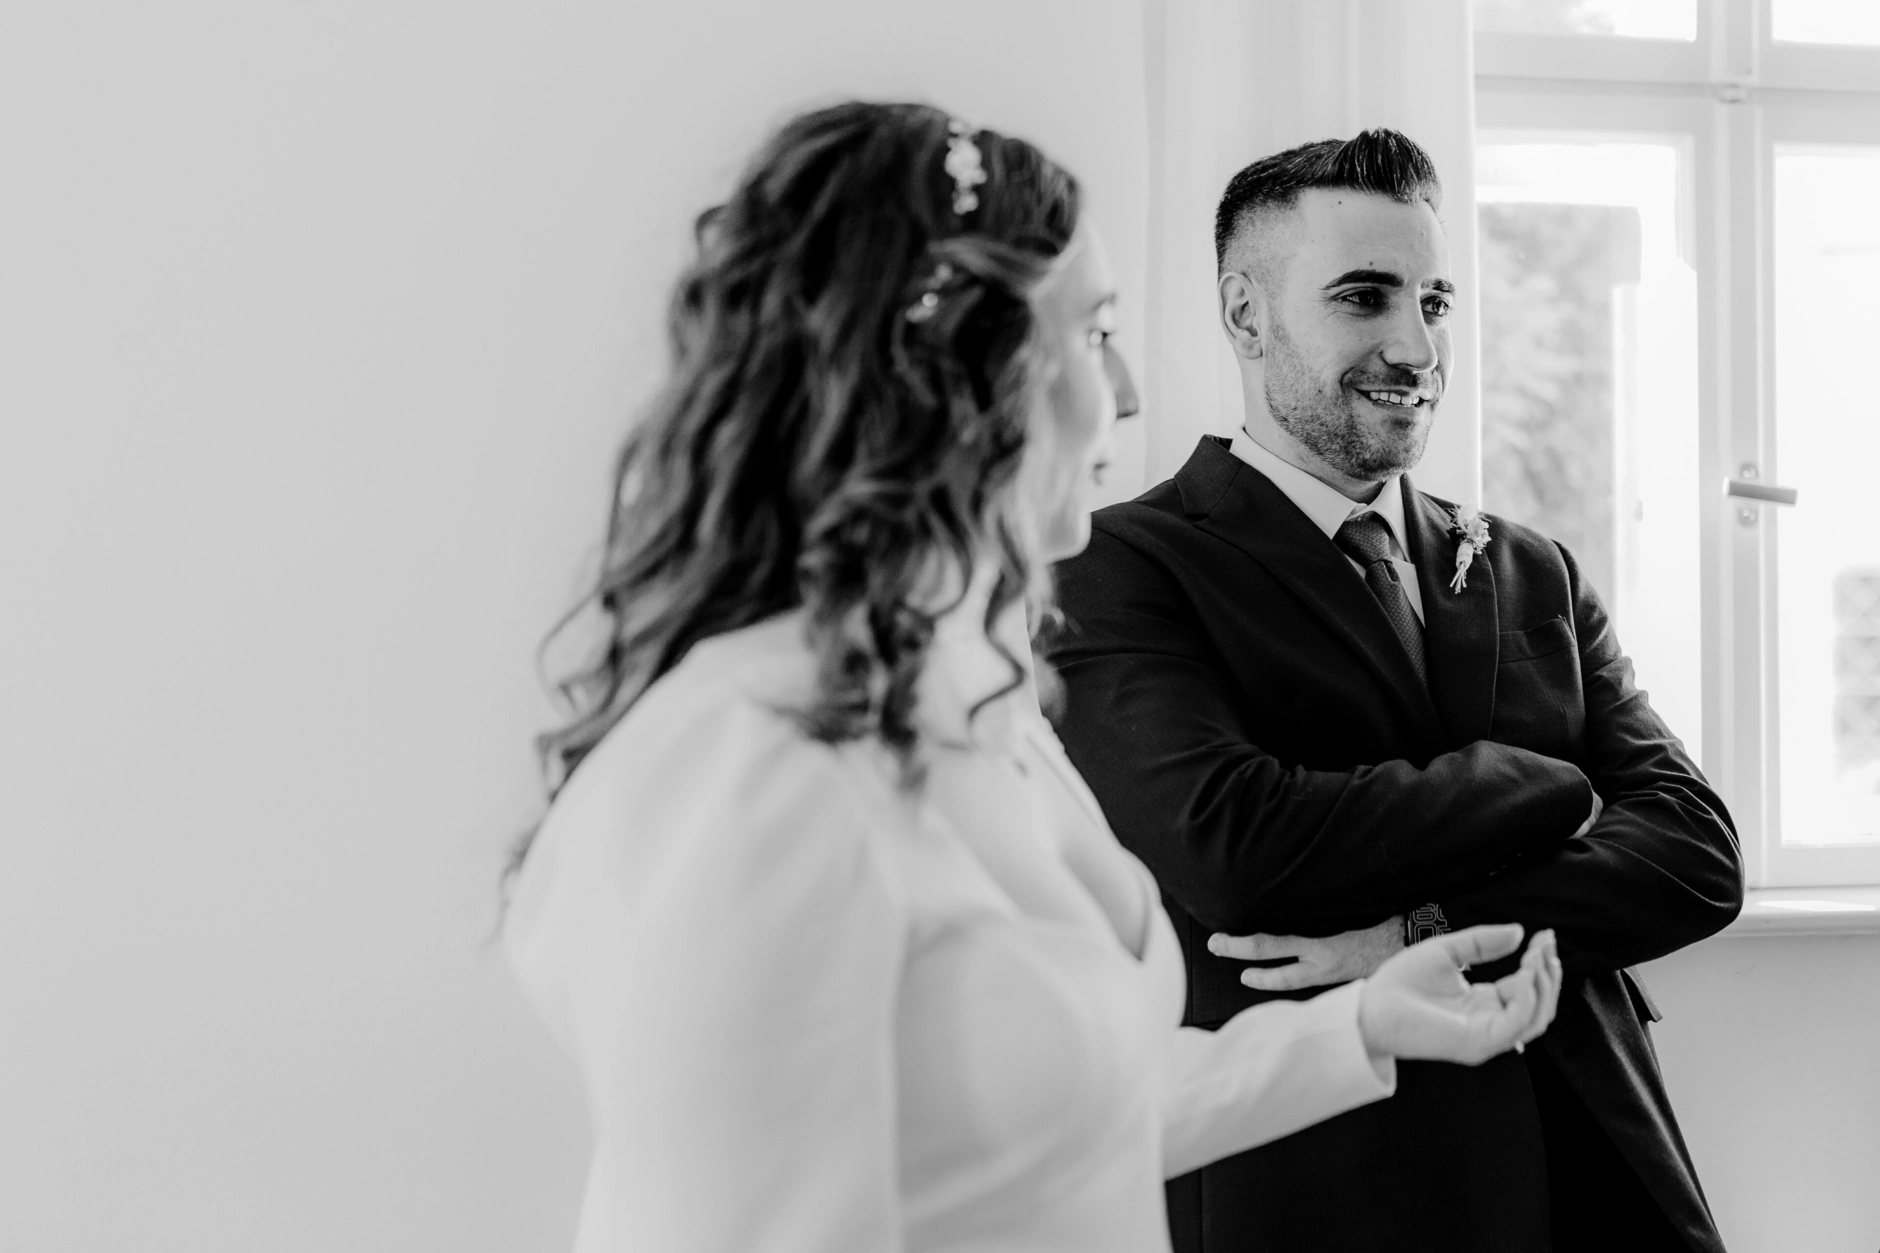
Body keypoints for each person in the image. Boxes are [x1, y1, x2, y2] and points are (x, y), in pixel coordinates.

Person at [502, 104, 1563, 1253]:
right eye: (1090, 331)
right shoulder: (755, 774)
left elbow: (1049, 1122)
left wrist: (1353, 1024)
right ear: (946, 373)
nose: (1125, 391)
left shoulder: (975, 692)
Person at [1045, 128, 1743, 1253]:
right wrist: (1541, 782)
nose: (1414, 343)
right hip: (1329, 1185)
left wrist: (1423, 925)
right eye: (1365, 297)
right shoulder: (1120, 565)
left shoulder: (1529, 567)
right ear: (1245, 314)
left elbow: (1695, 856)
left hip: (1600, 1169)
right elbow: (1238, 845)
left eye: (1434, 299)